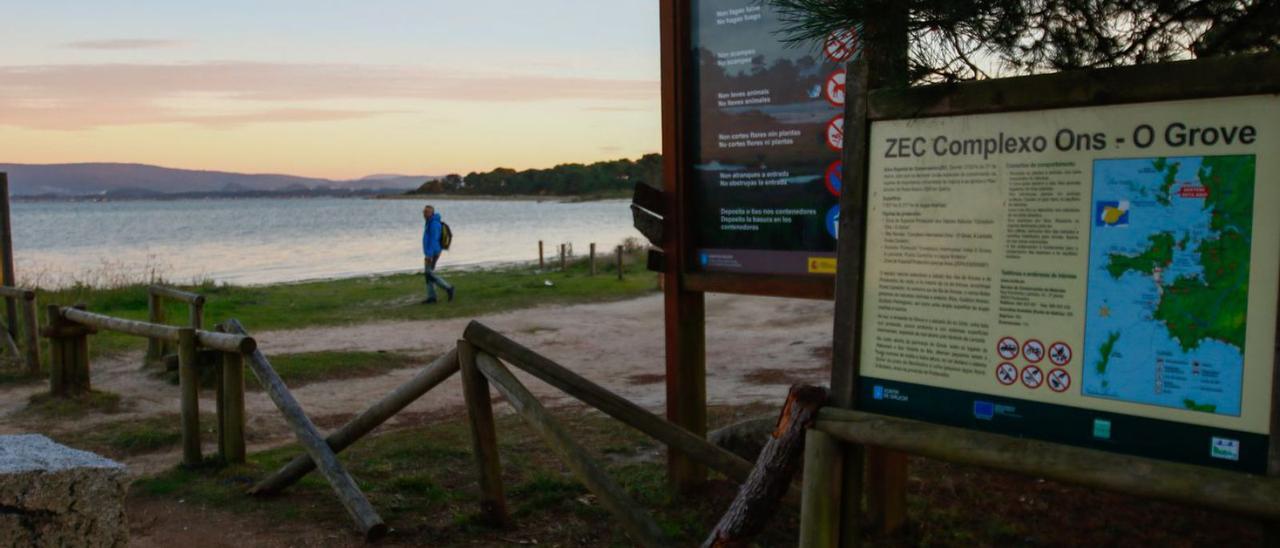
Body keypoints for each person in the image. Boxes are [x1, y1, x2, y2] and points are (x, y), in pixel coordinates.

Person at [421, 205, 454, 304]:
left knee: (429, 274)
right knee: (428, 274)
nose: (425, 214)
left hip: (433, 253)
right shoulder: (430, 222)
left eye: (427, 212)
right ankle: (432, 297)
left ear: (432, 213)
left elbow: (433, 240)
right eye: (424, 212)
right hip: (432, 252)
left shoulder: (434, 224)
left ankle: (448, 288)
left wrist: (429, 255)